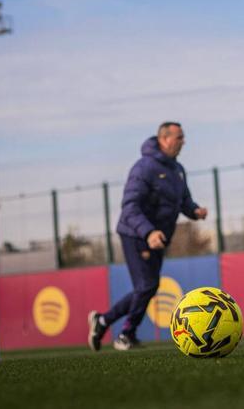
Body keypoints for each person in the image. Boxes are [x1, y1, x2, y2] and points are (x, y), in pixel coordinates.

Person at [88, 122, 207, 350]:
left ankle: (102, 322)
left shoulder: (178, 170)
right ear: (164, 139)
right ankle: (125, 334)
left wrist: (195, 211)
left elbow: (184, 201)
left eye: (183, 137)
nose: (183, 142)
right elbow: (130, 207)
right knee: (148, 285)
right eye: (179, 137)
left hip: (159, 237)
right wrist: (148, 231)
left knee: (147, 288)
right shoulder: (144, 168)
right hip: (136, 234)